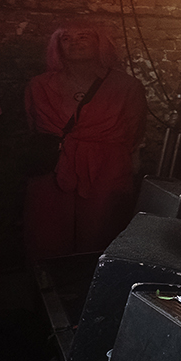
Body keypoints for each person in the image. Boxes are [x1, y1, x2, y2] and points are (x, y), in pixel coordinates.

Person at [23, 23, 147, 260]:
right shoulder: (39, 85)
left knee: (101, 235)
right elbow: (34, 127)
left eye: (83, 37)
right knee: (48, 235)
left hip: (106, 169)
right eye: (66, 38)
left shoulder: (127, 86)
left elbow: (134, 131)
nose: (74, 43)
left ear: (100, 43)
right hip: (54, 167)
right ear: (57, 46)